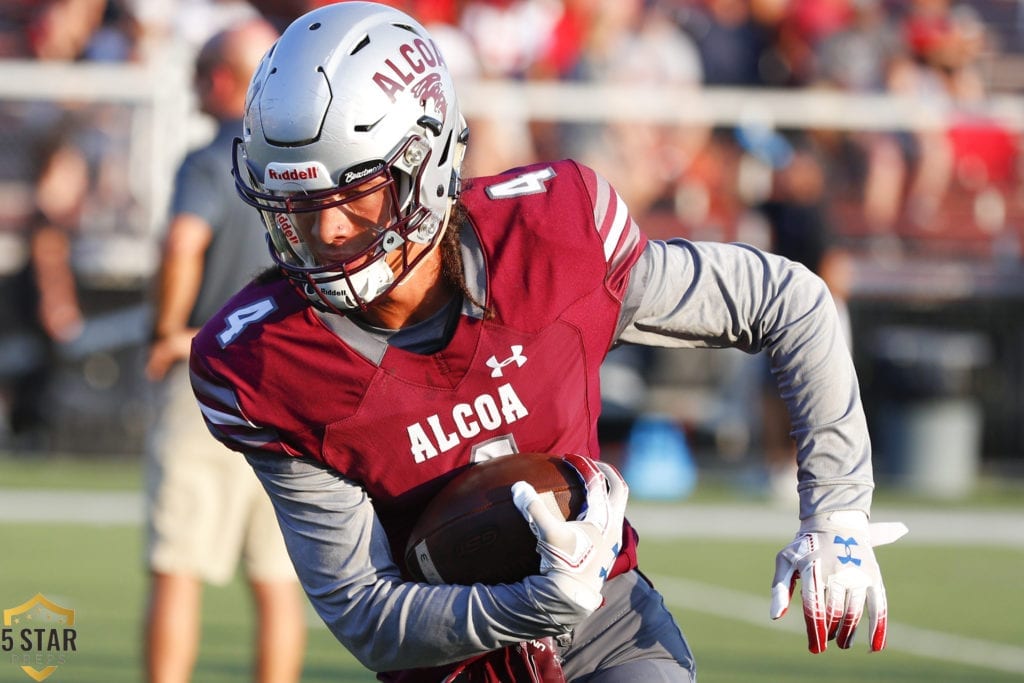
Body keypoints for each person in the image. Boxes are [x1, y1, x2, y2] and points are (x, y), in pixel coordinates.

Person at [188, 3, 908, 681]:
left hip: (610, 630)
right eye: (296, 208)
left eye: (354, 195)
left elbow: (791, 300)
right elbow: (365, 610)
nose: (329, 233)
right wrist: (520, 606)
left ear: (425, 163)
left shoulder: (551, 238)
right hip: (447, 664)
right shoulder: (263, 362)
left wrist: (837, 507)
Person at [143, 19, 306, 683]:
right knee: (277, 578)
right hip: (288, 383)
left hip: (210, 372)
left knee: (177, 566)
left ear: (219, 79)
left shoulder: (212, 158)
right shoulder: (296, 164)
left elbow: (182, 242)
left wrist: (167, 327)